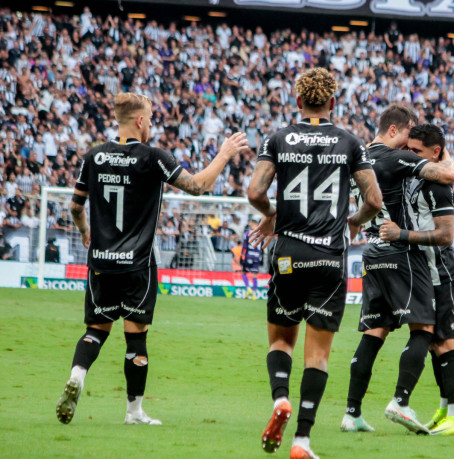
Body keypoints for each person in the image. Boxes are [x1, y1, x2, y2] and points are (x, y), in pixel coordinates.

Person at [56, 92, 249, 426]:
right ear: (141, 120)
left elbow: (75, 206)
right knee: (136, 337)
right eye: (151, 119)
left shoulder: (93, 156)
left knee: (96, 330)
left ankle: (77, 375)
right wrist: (224, 154)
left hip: (100, 262)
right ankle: (134, 412)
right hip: (137, 265)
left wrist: (85, 231)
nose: (152, 126)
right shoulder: (152, 157)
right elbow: (197, 186)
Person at [246, 68, 382, 458]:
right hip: (329, 258)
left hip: (289, 253)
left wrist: (272, 214)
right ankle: (302, 441)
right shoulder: (350, 142)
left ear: (298, 101)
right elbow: (374, 201)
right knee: (318, 355)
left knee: (280, 340)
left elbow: (254, 192)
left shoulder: (277, 139)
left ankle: (279, 400)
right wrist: (353, 222)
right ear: (333, 102)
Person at [342, 105, 454, 435]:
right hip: (401, 251)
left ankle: (352, 413)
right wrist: (444, 153)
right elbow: (448, 175)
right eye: (408, 134)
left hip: (371, 252)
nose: (409, 143)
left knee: (374, 332)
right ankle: (400, 401)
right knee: (424, 328)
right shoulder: (395, 157)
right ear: (393, 130)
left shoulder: (356, 159)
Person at [378, 123, 454, 436]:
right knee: (433, 345)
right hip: (426, 272)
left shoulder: (436, 186)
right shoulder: (417, 177)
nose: (411, 156)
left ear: (435, 152)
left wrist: (401, 234)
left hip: (442, 271)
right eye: (408, 149)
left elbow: (445, 236)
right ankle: (444, 410)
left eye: (417, 151)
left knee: (446, 342)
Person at [234, 219, 263, 299]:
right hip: (257, 256)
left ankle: (248, 288)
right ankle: (254, 293)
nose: (249, 224)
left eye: (250, 223)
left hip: (249, 255)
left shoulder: (248, 232)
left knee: (243, 272)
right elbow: (262, 245)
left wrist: (242, 255)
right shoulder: (261, 233)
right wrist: (262, 257)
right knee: (254, 275)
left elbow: (245, 245)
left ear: (253, 223)